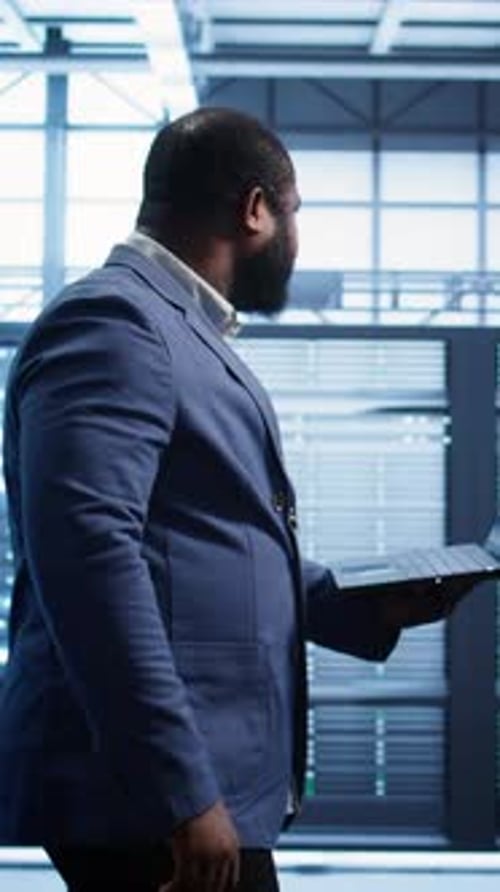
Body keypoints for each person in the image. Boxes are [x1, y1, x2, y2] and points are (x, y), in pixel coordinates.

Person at [0, 107, 468, 892]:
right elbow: (88, 560)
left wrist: (360, 605)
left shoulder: (172, 330)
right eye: (295, 214)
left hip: (181, 792)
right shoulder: (117, 322)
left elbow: (202, 547)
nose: (296, 239)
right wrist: (179, 791)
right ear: (255, 208)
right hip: (147, 800)